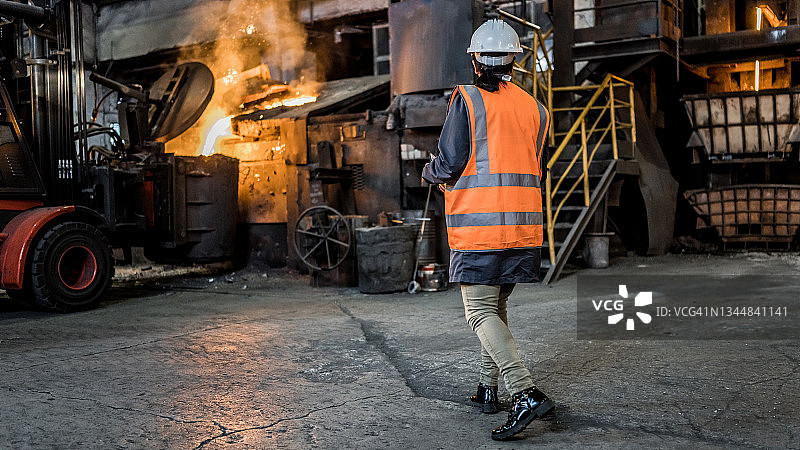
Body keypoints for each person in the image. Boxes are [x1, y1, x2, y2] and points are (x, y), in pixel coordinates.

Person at [421, 19, 554, 441]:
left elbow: (450, 162)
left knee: (478, 311)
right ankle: (487, 387)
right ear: (514, 59)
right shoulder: (536, 108)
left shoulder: (468, 100)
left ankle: (524, 392)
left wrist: (429, 172)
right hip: (524, 229)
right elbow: (536, 165)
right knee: (495, 308)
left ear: (477, 61)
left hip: (481, 229)